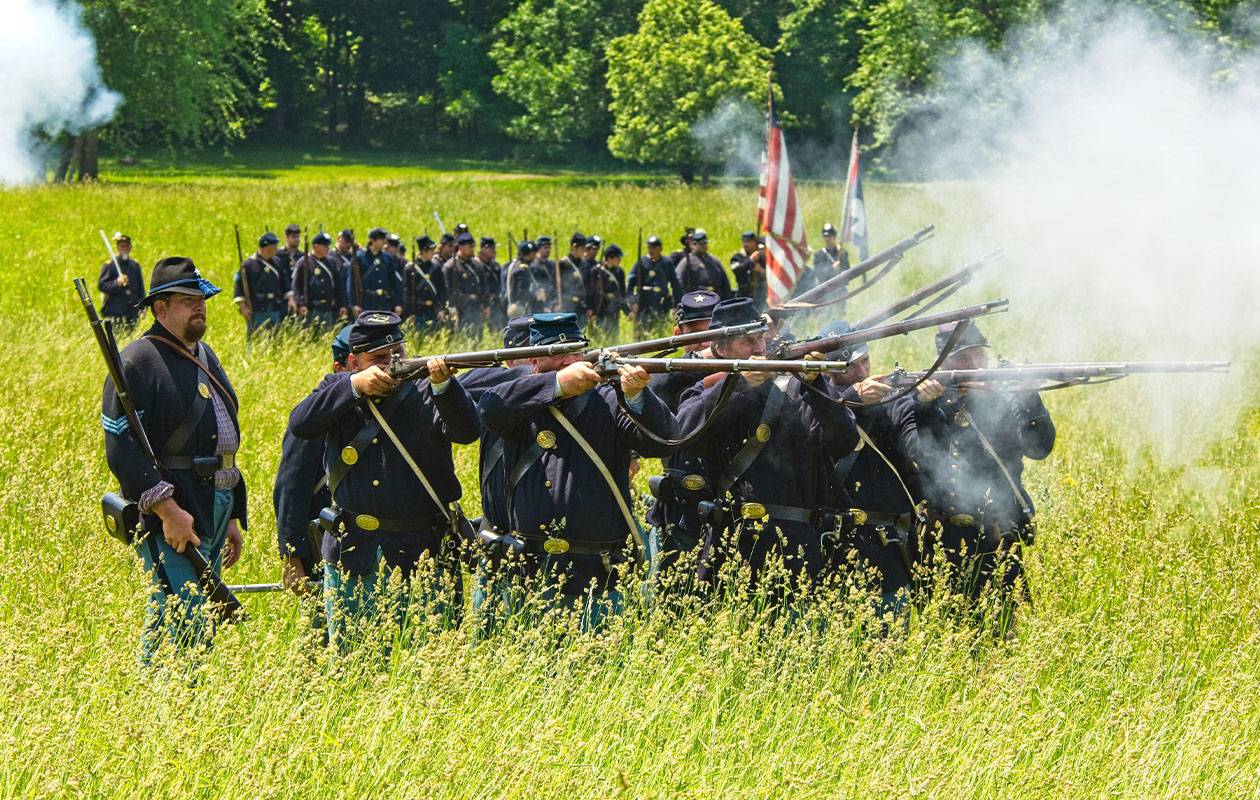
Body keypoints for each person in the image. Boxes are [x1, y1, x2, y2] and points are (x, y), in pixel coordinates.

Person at [288, 311, 481, 645]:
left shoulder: (428, 388)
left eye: (398, 356)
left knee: (431, 661)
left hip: (425, 552)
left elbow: (467, 432)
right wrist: (352, 387)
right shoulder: (338, 390)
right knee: (352, 664)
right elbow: (300, 424)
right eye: (377, 359)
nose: (392, 365)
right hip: (355, 552)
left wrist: (445, 387)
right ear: (354, 361)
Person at [477, 313, 678, 628]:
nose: (568, 362)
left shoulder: (610, 398)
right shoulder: (521, 400)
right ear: (533, 359)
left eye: (574, 353)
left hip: (599, 571)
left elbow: (664, 442)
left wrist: (638, 394)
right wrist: (557, 385)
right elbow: (490, 407)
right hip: (531, 571)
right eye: (557, 356)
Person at [101, 256, 246, 664]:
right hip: (175, 511)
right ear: (160, 308)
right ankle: (165, 707)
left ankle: (175, 706)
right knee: (180, 616)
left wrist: (232, 513)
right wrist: (167, 511)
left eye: (200, 298)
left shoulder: (205, 353)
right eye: (187, 300)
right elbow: (121, 446)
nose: (199, 306)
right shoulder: (137, 360)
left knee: (196, 619)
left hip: (214, 503)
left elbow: (222, 444)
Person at [678, 298, 857, 597]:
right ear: (721, 349)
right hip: (730, 545)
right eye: (747, 341)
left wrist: (818, 385)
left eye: (760, 337)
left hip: (795, 548)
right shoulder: (712, 388)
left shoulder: (799, 386)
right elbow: (684, 433)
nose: (759, 348)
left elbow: (843, 441)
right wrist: (738, 387)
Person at [914, 322, 1055, 630]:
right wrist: (929, 402)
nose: (976, 364)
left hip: (996, 536)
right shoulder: (929, 400)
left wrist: (1030, 398)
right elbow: (915, 448)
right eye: (964, 358)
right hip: (940, 539)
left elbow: (1039, 448)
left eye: (979, 355)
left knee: (1001, 633)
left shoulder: (1005, 399)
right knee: (941, 634)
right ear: (945, 363)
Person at [817, 321, 942, 621]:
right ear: (829, 372)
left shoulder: (892, 402)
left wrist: (925, 408)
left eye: (865, 362)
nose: (862, 372)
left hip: (889, 545)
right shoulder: (817, 403)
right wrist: (853, 399)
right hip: (834, 544)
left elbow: (920, 452)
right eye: (851, 367)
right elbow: (823, 440)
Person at [643, 291, 722, 582]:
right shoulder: (670, 373)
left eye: (712, 330)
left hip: (726, 506)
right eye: (694, 332)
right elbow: (655, 389)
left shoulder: (745, 366)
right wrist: (704, 360)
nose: (704, 339)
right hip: (678, 508)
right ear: (678, 334)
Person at [274, 325, 355, 595]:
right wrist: (292, 557)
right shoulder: (315, 413)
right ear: (339, 367)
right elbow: (291, 486)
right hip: (323, 541)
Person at [234, 231, 293, 334]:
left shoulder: (277, 262)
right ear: (266, 247)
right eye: (274, 245)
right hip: (257, 309)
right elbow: (239, 287)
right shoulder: (248, 265)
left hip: (274, 307)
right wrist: (243, 307)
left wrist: (291, 299)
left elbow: (284, 283)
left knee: (275, 340)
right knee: (255, 339)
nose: (276, 248)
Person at [292, 232, 348, 330]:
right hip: (310, 308)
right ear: (316, 246)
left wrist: (342, 304)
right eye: (325, 245)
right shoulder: (303, 262)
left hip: (327, 308)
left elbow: (339, 286)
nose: (328, 248)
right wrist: (300, 304)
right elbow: (295, 287)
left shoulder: (331, 262)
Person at [626, 234, 681, 333]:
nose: (651, 250)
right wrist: (632, 302)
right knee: (641, 333)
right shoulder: (641, 262)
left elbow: (675, 285)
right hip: (644, 302)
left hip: (661, 303)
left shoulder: (667, 263)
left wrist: (676, 305)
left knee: (660, 331)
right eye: (649, 247)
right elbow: (630, 284)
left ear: (660, 248)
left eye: (654, 247)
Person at [791, 222, 851, 306]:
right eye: (825, 236)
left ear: (834, 237)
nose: (827, 238)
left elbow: (847, 270)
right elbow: (819, 273)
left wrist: (842, 259)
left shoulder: (841, 253)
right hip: (826, 291)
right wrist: (832, 268)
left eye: (829, 236)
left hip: (839, 289)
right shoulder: (819, 255)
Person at [443, 232, 492, 335]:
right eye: (469, 246)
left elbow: (484, 286)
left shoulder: (477, 265)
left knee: (478, 338)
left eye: (473, 246)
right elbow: (448, 291)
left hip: (476, 308)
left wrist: (486, 305)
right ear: (460, 247)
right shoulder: (450, 266)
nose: (472, 249)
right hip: (460, 310)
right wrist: (452, 309)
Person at [349, 227, 402, 316]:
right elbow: (351, 283)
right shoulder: (359, 257)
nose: (385, 242)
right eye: (382, 239)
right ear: (373, 240)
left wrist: (398, 303)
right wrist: (353, 304)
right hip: (366, 303)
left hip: (383, 303)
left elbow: (394, 282)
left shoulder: (387, 258)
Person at [97, 231, 146, 327]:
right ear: (118, 248)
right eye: (122, 246)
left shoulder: (135, 265)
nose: (124, 249)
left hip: (132, 310)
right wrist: (117, 283)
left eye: (127, 246)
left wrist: (142, 307)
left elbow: (141, 288)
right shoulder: (110, 265)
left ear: (130, 248)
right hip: (116, 311)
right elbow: (102, 285)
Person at [402, 235, 443, 341]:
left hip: (432, 310)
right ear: (423, 251)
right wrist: (410, 313)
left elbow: (441, 289)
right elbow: (407, 293)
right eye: (430, 250)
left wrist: (441, 309)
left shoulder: (436, 267)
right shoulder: (410, 268)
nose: (433, 253)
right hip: (418, 311)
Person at [674, 229, 733, 299]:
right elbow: (679, 282)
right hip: (697, 299)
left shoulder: (714, 260)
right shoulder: (686, 262)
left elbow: (725, 281)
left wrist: (728, 298)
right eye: (701, 244)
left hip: (716, 297)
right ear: (694, 244)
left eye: (705, 243)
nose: (704, 246)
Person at [585, 244, 626, 337]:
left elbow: (622, 293)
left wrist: (627, 311)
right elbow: (592, 292)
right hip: (600, 314)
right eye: (618, 257)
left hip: (614, 313)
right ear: (610, 258)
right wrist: (591, 310)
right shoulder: (596, 271)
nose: (620, 260)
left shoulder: (620, 272)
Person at [504, 240, 549, 317]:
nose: (535, 256)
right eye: (534, 254)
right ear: (530, 254)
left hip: (511, 305)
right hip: (518, 308)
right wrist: (537, 296)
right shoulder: (522, 270)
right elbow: (522, 293)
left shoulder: (513, 264)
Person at [551, 233, 588, 314]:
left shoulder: (584, 264)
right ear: (574, 247)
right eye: (582, 248)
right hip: (566, 307)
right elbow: (555, 286)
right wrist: (555, 304)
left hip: (581, 309)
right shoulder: (562, 264)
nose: (584, 252)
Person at [731, 231, 768, 310]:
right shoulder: (738, 257)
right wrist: (751, 260)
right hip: (744, 297)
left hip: (760, 296)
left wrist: (761, 270)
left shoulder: (762, 258)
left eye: (749, 241)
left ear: (755, 242)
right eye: (744, 241)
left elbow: (771, 275)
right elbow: (737, 270)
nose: (746, 244)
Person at [476, 236, 505, 329]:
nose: (495, 251)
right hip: (483, 303)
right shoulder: (476, 265)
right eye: (492, 249)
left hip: (496, 302)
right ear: (483, 249)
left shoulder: (495, 265)